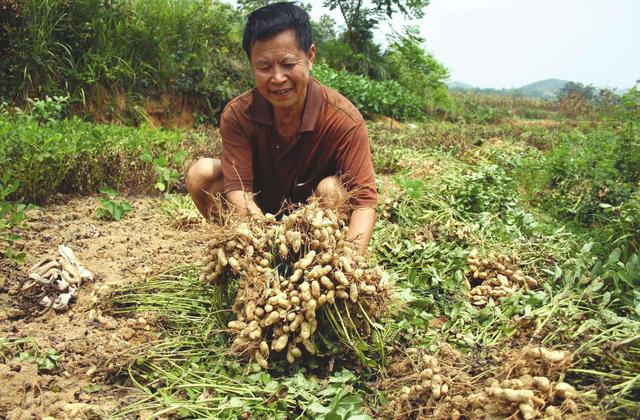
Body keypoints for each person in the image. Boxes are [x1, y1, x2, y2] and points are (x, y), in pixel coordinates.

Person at [186, 2, 377, 249]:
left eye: (288, 64)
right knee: (202, 174)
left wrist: (350, 263)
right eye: (264, 67)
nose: (277, 78)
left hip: (316, 227)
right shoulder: (238, 115)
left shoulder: (343, 118)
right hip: (259, 220)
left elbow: (364, 202)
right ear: (251, 64)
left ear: (310, 57)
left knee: (332, 189)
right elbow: (239, 192)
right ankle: (244, 256)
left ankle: (319, 258)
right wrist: (269, 246)